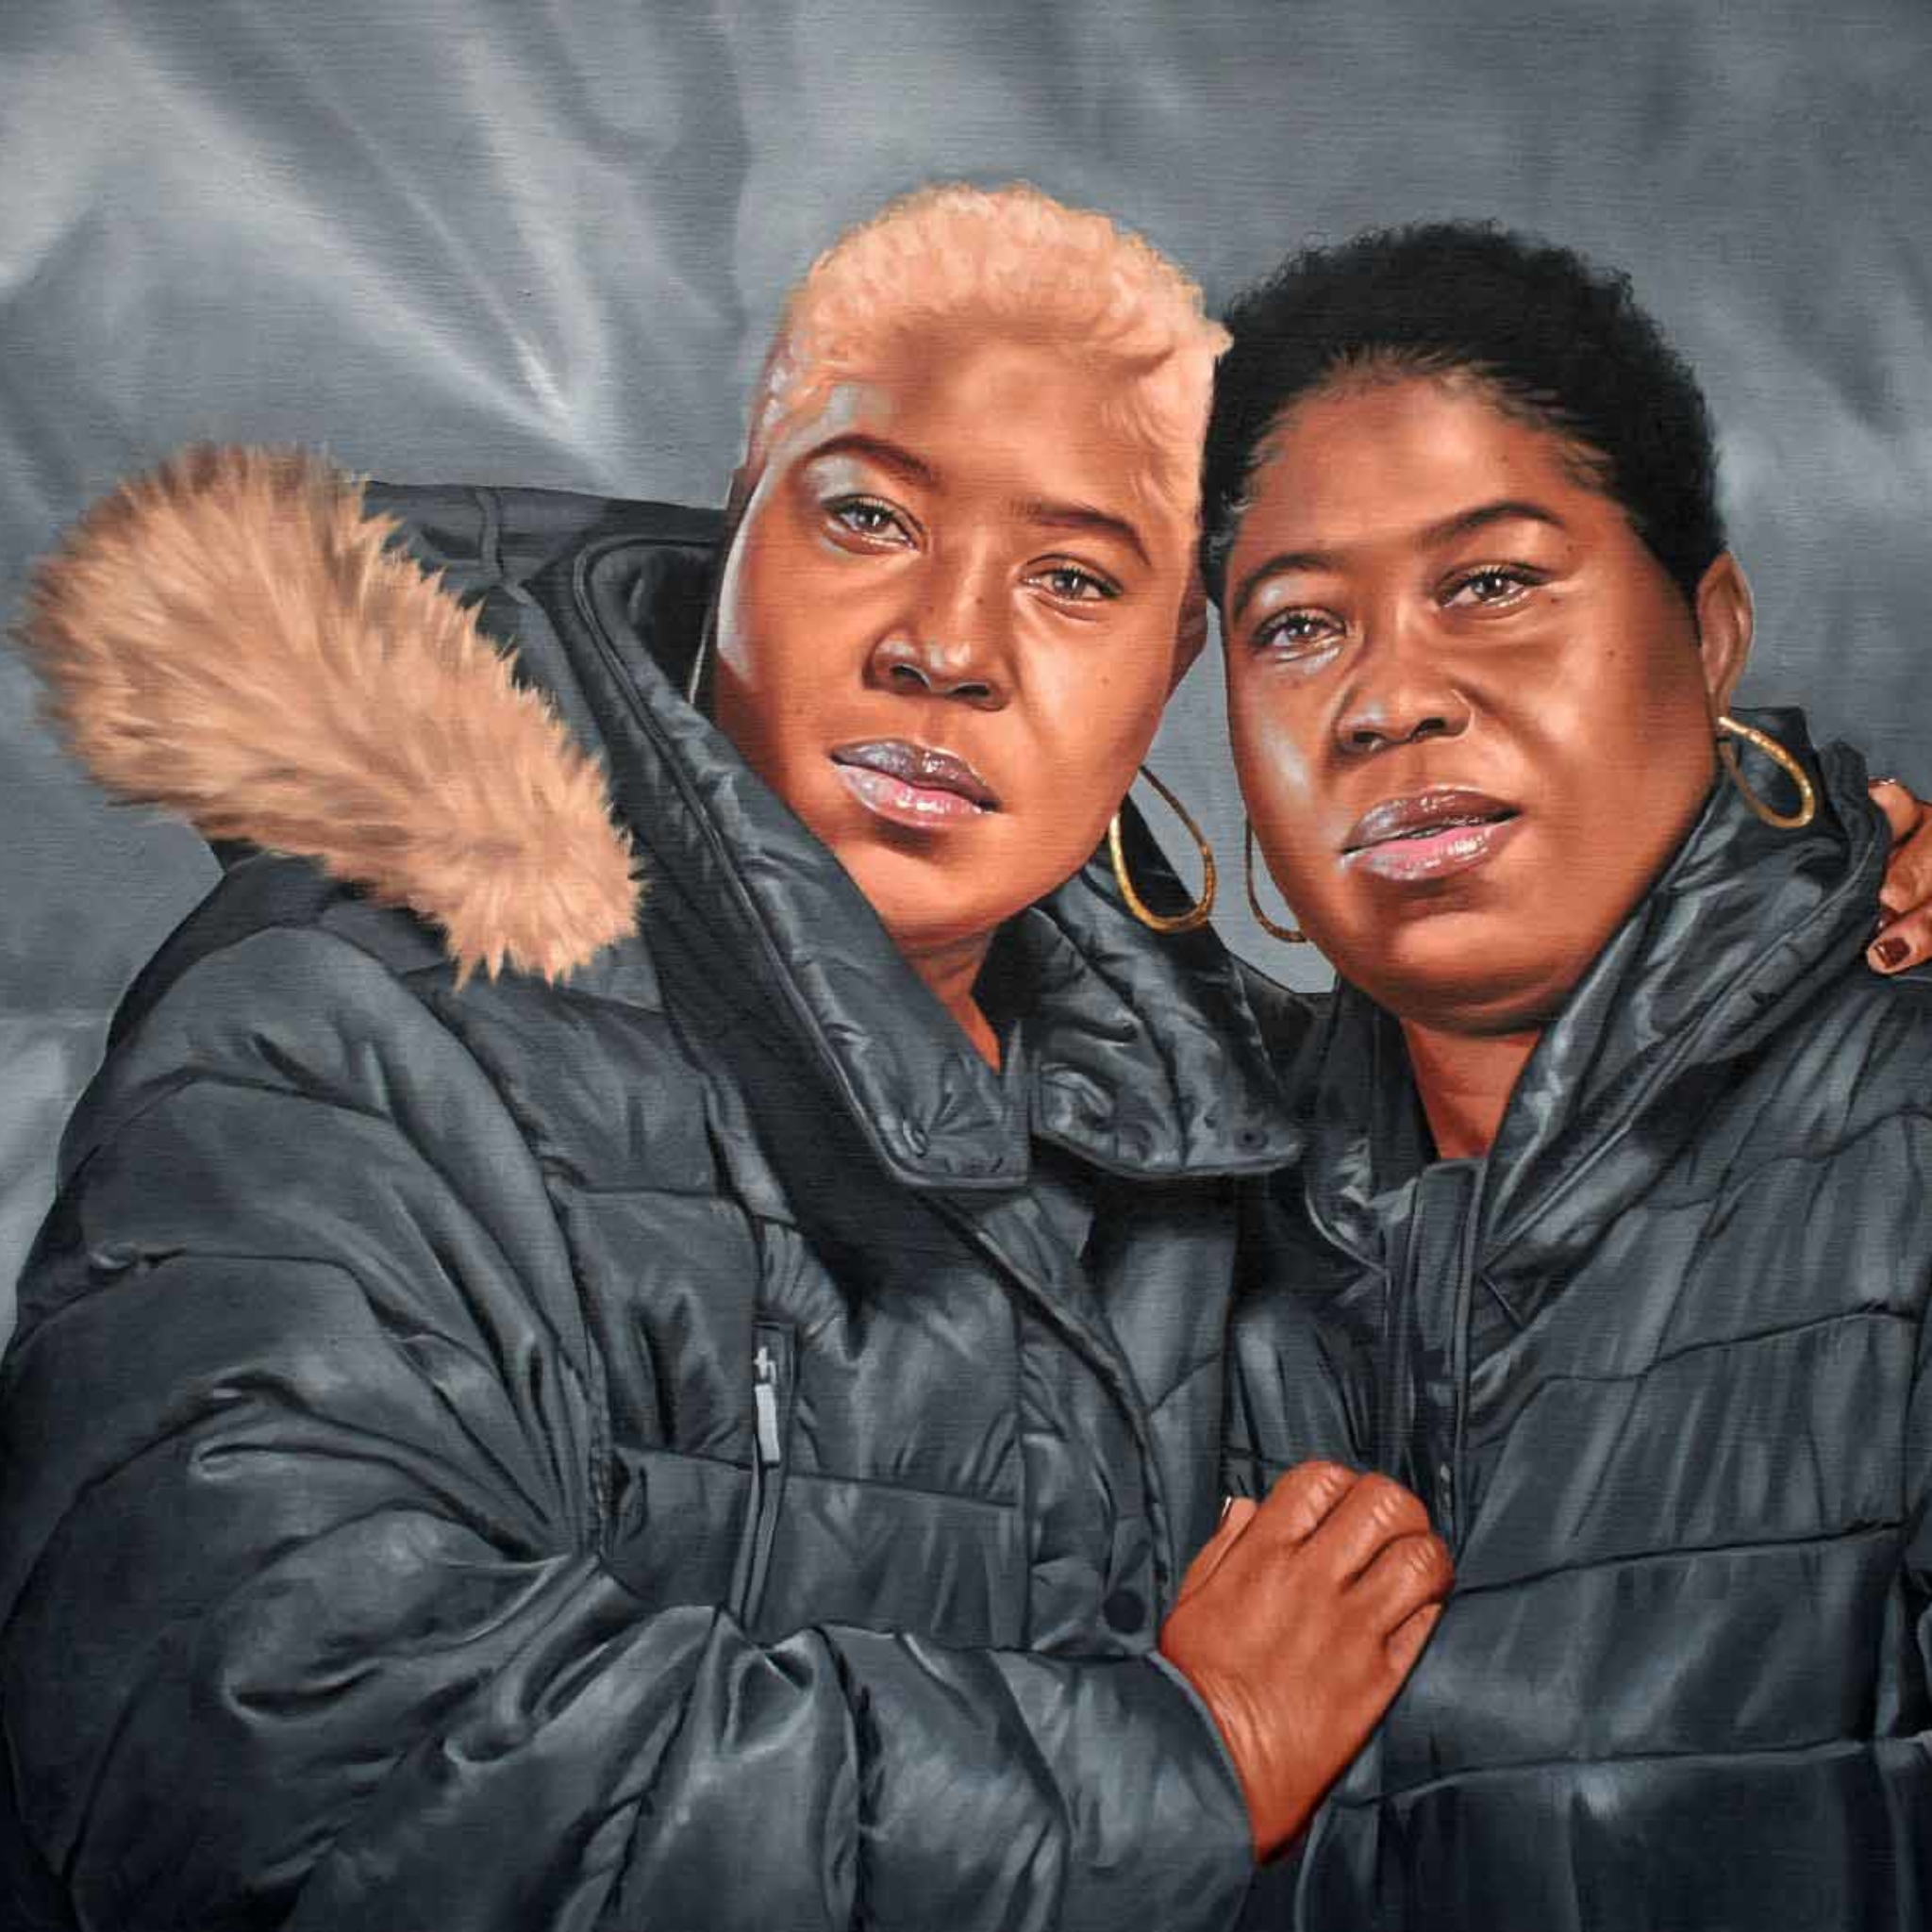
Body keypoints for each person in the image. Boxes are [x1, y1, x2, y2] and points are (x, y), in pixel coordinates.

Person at [0, 185, 1455, 1932]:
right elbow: (284, 1770)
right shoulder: (345, 1028)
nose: (948, 647)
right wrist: (1183, 1759)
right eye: (870, 518)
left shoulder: (1228, 1124)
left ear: (1173, 665)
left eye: (1074, 579)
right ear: (744, 520)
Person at [1207, 220, 1932, 1927]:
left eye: (1493, 583)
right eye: (1298, 625)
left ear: (1713, 628)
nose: (1391, 698)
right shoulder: (1163, 1227)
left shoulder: (1902, 1147)